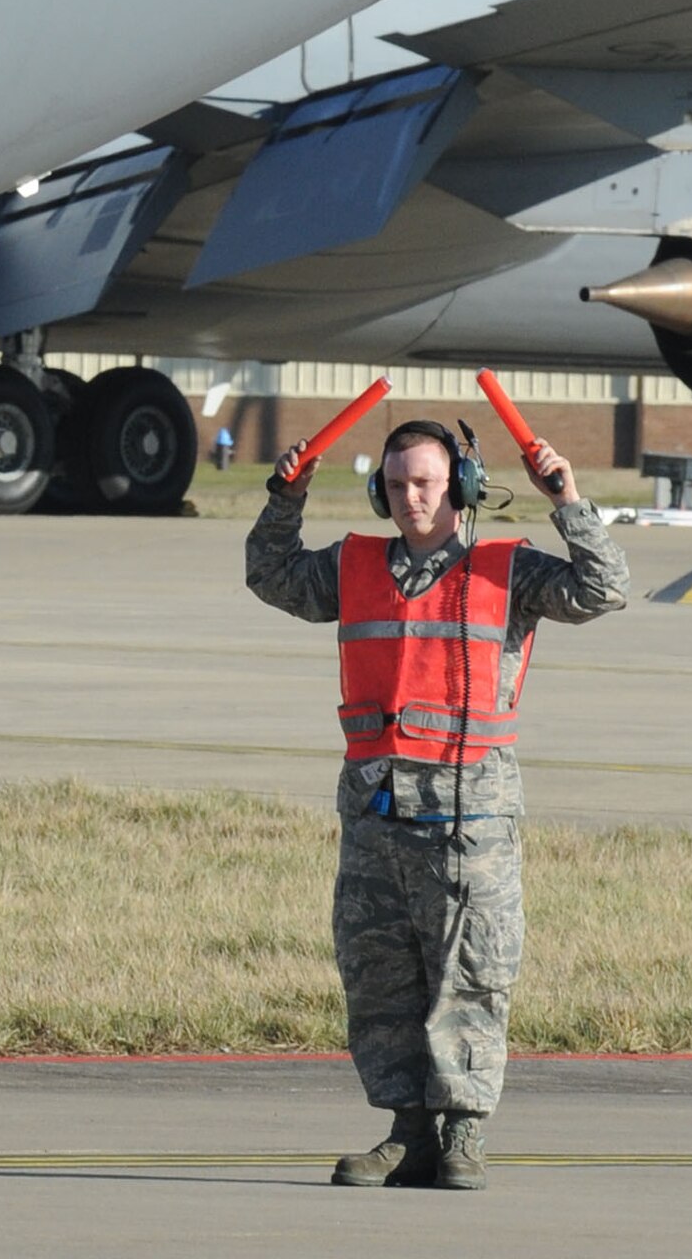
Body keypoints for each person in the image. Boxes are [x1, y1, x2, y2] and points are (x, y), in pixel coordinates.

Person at [245, 417, 629, 1191]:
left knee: (471, 973)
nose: (410, 498)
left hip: (469, 819)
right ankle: (406, 1131)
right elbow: (271, 574)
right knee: (379, 976)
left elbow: (602, 589)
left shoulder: (505, 569)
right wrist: (285, 496)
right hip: (375, 815)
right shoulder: (352, 567)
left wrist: (569, 501)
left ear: (458, 486)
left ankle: (461, 1135)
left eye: (423, 482)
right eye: (395, 485)